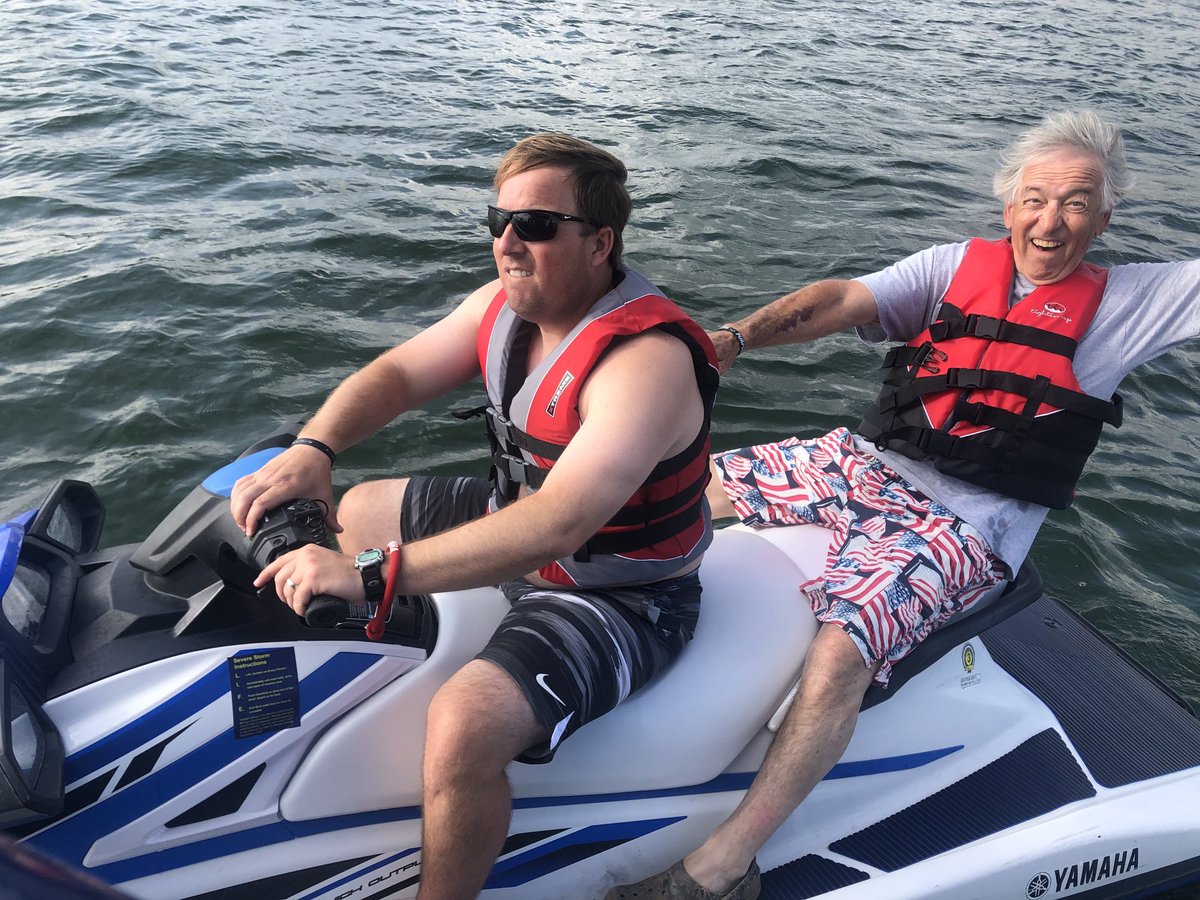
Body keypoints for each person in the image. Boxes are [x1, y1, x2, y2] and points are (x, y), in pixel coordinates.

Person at [608, 110, 1200, 900]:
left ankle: (721, 868)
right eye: (1035, 199)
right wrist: (732, 340)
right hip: (863, 467)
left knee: (841, 652)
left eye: (1076, 203)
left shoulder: (1134, 303)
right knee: (664, 484)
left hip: (963, 527)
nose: (1050, 221)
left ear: (1104, 218)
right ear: (1009, 207)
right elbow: (842, 301)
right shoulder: (955, 266)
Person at [229, 133, 719, 900]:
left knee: (462, 725)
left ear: (599, 243)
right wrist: (314, 448)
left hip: (621, 592)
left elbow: (560, 524)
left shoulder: (644, 362)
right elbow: (397, 374)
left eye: (537, 225)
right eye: (500, 220)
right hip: (511, 514)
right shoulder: (501, 308)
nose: (509, 242)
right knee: (357, 507)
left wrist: (372, 575)